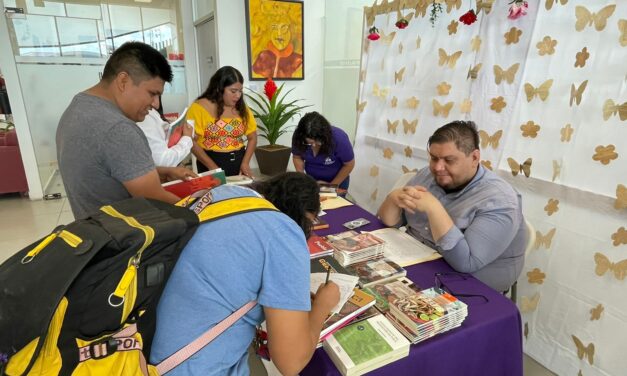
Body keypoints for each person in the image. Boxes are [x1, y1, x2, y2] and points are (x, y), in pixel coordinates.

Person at [150, 172, 340, 376]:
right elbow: (291, 363)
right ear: (306, 217)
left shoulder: (219, 194)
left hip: (139, 347)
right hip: (191, 366)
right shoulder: (284, 231)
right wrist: (322, 305)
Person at [377, 120, 526, 292]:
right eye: (434, 158)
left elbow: (466, 263)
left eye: (449, 160)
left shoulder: (500, 200)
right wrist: (393, 198)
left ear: (475, 158)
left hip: (472, 283)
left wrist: (434, 209)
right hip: (419, 259)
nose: (438, 167)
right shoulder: (429, 174)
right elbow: (391, 222)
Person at [56, 41, 196, 220]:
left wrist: (161, 172)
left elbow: (107, 171)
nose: (155, 104)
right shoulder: (118, 129)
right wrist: (199, 208)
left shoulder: (78, 107)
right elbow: (155, 199)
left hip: (94, 231)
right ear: (123, 81)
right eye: (152, 93)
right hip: (129, 238)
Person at [189, 66, 257, 177]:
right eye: (233, 91)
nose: (238, 96)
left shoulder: (241, 108)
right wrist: (212, 167)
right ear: (219, 88)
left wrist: (245, 163)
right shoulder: (199, 107)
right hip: (209, 163)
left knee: (240, 194)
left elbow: (253, 137)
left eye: (240, 91)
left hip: (238, 162)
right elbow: (191, 141)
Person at [291, 112, 355, 190]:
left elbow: (349, 165)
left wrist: (331, 187)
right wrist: (303, 179)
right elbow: (297, 157)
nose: (314, 145)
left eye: (318, 142)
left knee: (334, 202)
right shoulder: (298, 137)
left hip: (338, 180)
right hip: (312, 180)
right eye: (310, 143)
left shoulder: (339, 138)